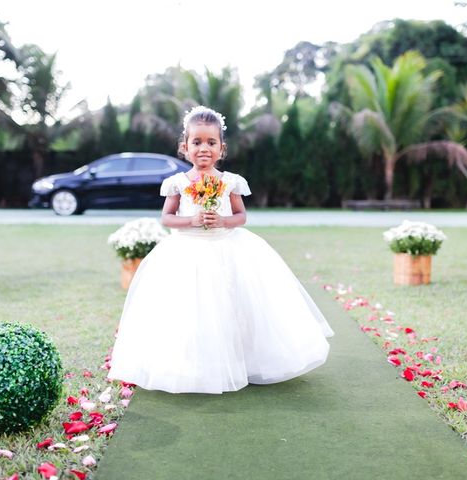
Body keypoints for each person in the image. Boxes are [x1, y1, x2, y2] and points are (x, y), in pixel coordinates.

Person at [107, 106, 334, 394]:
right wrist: (191, 220)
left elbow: (241, 216)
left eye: (211, 142)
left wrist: (223, 220)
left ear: (222, 148)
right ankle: (191, 365)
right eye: (197, 142)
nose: (204, 148)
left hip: (227, 248)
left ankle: (241, 360)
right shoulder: (177, 183)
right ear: (184, 147)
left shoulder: (230, 182)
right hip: (187, 251)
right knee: (190, 311)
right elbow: (166, 218)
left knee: (233, 307)